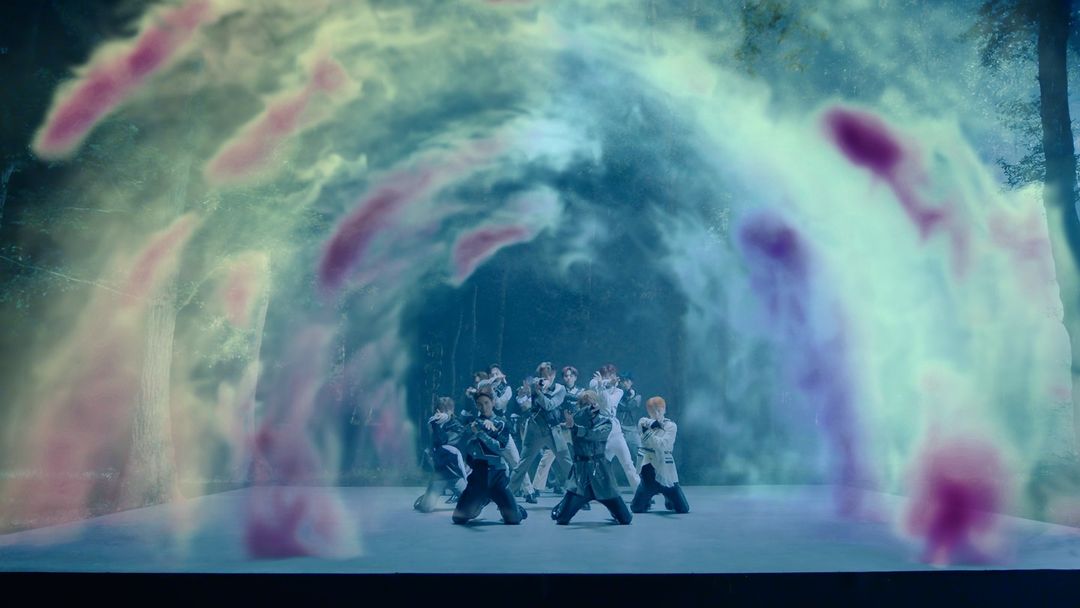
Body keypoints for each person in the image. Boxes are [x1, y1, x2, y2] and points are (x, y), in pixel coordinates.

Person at [552, 390, 632, 525]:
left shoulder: (606, 422)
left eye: (591, 404)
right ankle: (563, 505)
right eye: (584, 404)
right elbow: (576, 423)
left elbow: (593, 434)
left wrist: (576, 426)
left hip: (601, 475)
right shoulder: (576, 419)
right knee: (561, 519)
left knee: (625, 519)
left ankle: (613, 510)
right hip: (581, 477)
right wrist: (575, 422)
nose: (589, 407)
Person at [452, 388, 528, 525]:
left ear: (493, 402)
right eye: (480, 404)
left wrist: (482, 433)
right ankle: (482, 500)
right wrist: (472, 429)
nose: (484, 407)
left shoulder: (502, 423)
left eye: (486, 403)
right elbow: (459, 441)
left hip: (497, 476)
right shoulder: (474, 423)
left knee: (513, 519)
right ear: (476, 405)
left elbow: (499, 448)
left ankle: (516, 509)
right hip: (478, 475)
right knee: (459, 518)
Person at [509, 362, 572, 501]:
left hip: (553, 431)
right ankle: (507, 496)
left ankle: (579, 493)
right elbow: (524, 405)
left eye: (549, 374)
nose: (547, 378)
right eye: (543, 375)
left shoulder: (560, 389)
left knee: (566, 462)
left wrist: (537, 393)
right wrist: (523, 394)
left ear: (554, 374)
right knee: (522, 464)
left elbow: (550, 405)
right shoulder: (534, 386)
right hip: (534, 430)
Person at [630, 396, 690, 514]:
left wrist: (649, 436)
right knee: (636, 508)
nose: (656, 413)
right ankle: (647, 499)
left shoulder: (671, 426)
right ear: (648, 412)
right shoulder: (643, 422)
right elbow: (644, 427)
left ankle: (669, 497)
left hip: (666, 471)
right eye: (652, 411)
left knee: (683, 509)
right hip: (648, 471)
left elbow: (663, 445)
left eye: (659, 410)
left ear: (664, 409)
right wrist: (652, 432)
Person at [414, 397, 470, 512]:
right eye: (438, 410)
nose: (439, 413)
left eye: (444, 409)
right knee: (426, 507)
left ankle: (460, 495)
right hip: (439, 475)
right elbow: (432, 445)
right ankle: (426, 498)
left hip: (456, 475)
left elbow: (443, 441)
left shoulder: (457, 426)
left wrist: (438, 424)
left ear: (452, 410)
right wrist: (434, 425)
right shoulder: (434, 423)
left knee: (470, 503)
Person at [590, 364, 640, 492]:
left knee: (628, 464)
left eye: (612, 375)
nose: (611, 378)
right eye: (606, 376)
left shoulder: (619, 391)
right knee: (599, 466)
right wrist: (603, 384)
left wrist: (603, 385)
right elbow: (592, 383)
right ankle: (598, 493)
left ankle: (640, 494)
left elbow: (607, 405)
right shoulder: (596, 385)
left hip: (615, 434)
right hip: (601, 434)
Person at [533, 365, 582, 495]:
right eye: (566, 376)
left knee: (581, 457)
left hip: (576, 429)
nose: (568, 378)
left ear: (575, 377)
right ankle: (537, 487)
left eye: (571, 375)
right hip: (561, 428)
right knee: (547, 457)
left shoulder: (581, 391)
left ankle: (581, 486)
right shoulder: (558, 389)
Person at [615, 372, 645, 470]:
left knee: (639, 454)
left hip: (632, 430)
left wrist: (630, 396)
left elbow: (628, 407)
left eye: (627, 381)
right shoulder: (617, 394)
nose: (624, 383)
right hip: (618, 430)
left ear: (631, 382)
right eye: (622, 381)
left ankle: (643, 475)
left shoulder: (637, 396)